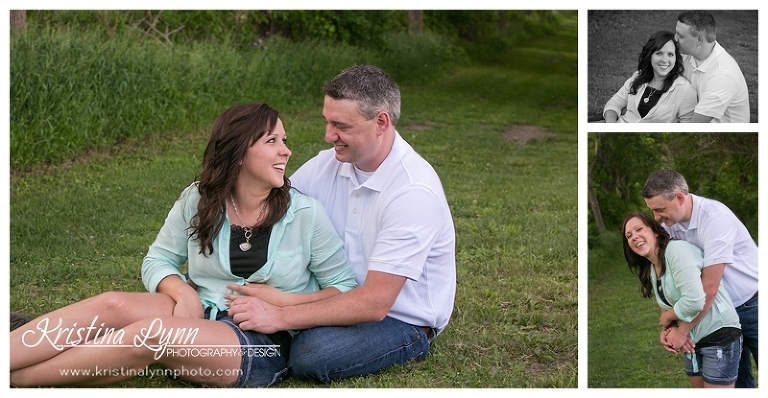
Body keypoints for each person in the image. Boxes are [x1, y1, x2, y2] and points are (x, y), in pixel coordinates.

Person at [9, 103, 357, 387]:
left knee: (151, 334)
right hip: (201, 311)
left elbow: (344, 289)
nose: (286, 150)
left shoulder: (305, 214)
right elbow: (157, 259)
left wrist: (284, 304)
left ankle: (20, 380)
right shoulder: (199, 199)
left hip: (263, 344)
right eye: (272, 141)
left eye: (284, 139)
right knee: (112, 304)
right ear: (238, 153)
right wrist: (185, 293)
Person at [226, 64, 457, 382]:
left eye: (340, 126)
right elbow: (271, 214)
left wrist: (281, 313)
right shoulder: (324, 166)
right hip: (327, 292)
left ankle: (270, 342)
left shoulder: (413, 191)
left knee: (314, 353)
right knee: (243, 303)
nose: (328, 135)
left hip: (397, 318)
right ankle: (266, 331)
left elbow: (375, 302)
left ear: (381, 122)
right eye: (327, 121)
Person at [643, 169, 758, 388]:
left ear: (679, 197)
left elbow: (709, 287)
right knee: (739, 384)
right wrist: (669, 328)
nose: (657, 218)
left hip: (753, 306)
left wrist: (682, 331)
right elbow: (670, 281)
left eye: (660, 210)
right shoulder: (670, 226)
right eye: (653, 211)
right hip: (719, 315)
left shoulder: (715, 219)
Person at [622, 212, 742, 388]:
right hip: (691, 341)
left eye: (639, 229)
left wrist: (669, 319)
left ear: (655, 231)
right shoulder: (653, 268)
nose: (634, 237)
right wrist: (670, 329)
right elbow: (666, 306)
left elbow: (694, 301)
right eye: (629, 236)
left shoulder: (676, 250)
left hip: (718, 333)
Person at [603, 30, 696, 123]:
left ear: (676, 58)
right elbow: (614, 103)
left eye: (670, 54)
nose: (665, 60)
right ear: (650, 55)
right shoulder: (638, 76)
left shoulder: (684, 89)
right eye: (659, 53)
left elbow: (688, 127)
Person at [674, 11, 750, 123]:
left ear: (699, 40)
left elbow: (695, 127)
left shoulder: (723, 76)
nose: (675, 39)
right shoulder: (686, 54)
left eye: (680, 36)